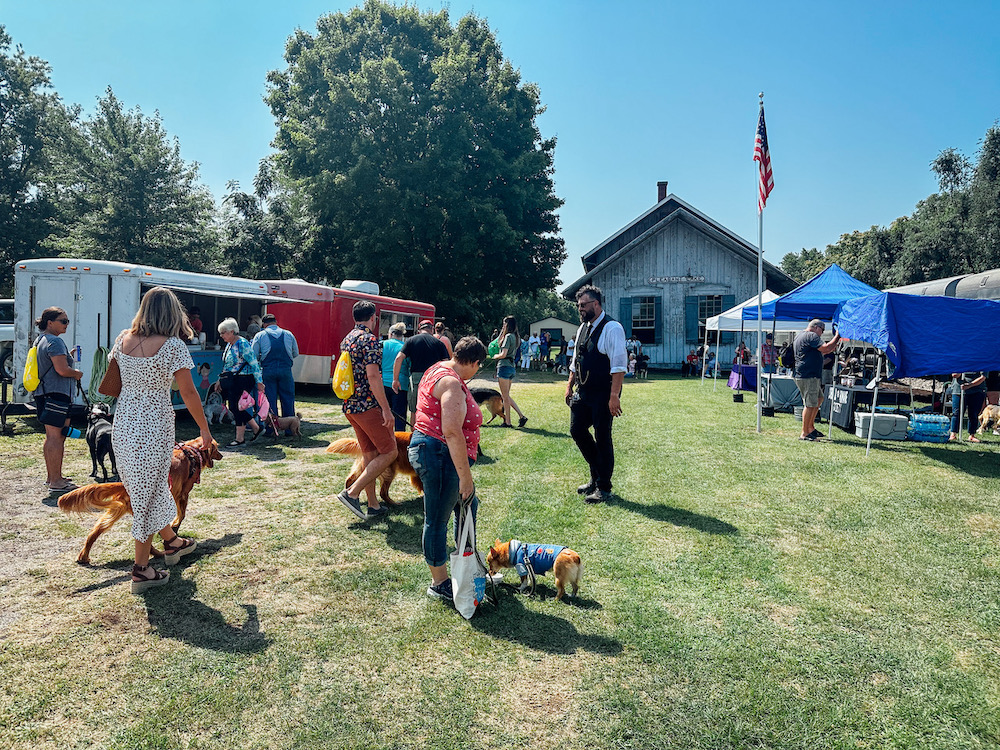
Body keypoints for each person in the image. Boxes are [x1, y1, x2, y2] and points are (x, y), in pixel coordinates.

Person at [109, 287, 212, 592]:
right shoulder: (172, 347)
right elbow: (189, 392)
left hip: (124, 424)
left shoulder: (122, 339)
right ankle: (141, 570)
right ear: (172, 313)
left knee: (147, 489)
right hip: (154, 426)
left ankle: (172, 542)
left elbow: (114, 376)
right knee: (147, 493)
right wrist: (205, 431)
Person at [407, 336, 487, 600]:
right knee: (437, 520)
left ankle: (465, 566)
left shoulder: (437, 368)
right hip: (439, 453)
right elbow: (452, 432)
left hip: (435, 451)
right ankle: (439, 582)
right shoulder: (451, 382)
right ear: (474, 363)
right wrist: (466, 478)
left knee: (468, 507)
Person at [564, 285, 627, 504]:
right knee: (576, 430)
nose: (580, 309)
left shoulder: (612, 328)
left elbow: (619, 365)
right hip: (583, 391)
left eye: (583, 305)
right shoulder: (583, 328)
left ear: (596, 304)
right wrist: (569, 385)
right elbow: (575, 361)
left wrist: (614, 395)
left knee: (602, 437)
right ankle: (595, 475)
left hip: (603, 392)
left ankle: (604, 487)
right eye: (578, 305)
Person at [336, 300, 397, 520]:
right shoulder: (369, 340)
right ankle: (352, 493)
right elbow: (373, 376)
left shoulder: (348, 339)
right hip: (367, 405)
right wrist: (386, 409)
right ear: (373, 317)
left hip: (350, 404)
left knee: (370, 454)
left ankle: (373, 505)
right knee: (390, 451)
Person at [33, 307, 83, 492]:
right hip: (56, 394)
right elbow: (62, 371)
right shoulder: (55, 341)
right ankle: (56, 482)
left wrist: (67, 357)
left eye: (67, 321)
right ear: (50, 322)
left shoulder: (42, 340)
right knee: (56, 437)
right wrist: (76, 373)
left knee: (54, 436)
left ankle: (53, 477)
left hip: (45, 393)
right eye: (63, 321)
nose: (66, 324)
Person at [218, 317, 265, 447]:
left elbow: (254, 363)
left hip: (244, 379)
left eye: (223, 332)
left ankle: (240, 438)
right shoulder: (229, 345)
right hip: (233, 379)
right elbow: (226, 365)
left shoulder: (242, 344)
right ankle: (254, 428)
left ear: (232, 332)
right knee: (234, 406)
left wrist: (259, 381)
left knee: (236, 407)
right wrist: (219, 380)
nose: (221, 336)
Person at [251, 312, 299, 436]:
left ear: (264, 324)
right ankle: (290, 429)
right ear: (276, 322)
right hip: (285, 370)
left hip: (268, 371)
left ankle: (272, 429)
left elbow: (254, 355)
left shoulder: (260, 335)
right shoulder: (288, 334)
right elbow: (295, 353)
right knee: (288, 399)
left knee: (269, 401)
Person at [393, 319, 448, 426]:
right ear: (432, 329)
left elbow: (398, 359)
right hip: (434, 378)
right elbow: (446, 363)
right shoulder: (439, 343)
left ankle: (414, 435)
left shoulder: (411, 340)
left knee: (414, 409)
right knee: (433, 409)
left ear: (419, 330)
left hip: (416, 378)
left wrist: (395, 379)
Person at [793, 319, 841, 441]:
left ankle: (811, 428)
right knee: (810, 404)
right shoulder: (812, 335)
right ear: (816, 327)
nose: (822, 333)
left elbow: (823, 351)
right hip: (808, 375)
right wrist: (837, 336)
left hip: (806, 374)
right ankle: (804, 433)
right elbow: (825, 348)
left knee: (819, 398)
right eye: (822, 330)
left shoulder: (800, 335)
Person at [491, 315, 528, 428]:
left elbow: (503, 354)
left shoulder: (508, 336)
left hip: (504, 366)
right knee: (506, 396)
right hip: (512, 367)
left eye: (504, 324)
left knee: (505, 397)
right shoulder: (516, 337)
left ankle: (508, 422)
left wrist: (495, 356)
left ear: (507, 324)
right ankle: (521, 417)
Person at [382, 322, 410, 431]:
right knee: (400, 416)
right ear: (402, 335)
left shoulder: (382, 344)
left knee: (383, 414)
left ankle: (384, 440)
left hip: (383, 383)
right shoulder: (405, 347)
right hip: (401, 384)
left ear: (390, 334)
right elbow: (409, 365)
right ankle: (399, 441)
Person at [949, 371, 987, 442]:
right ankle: (953, 434)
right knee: (956, 413)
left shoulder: (983, 361)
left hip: (977, 391)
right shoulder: (959, 360)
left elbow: (983, 377)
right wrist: (958, 373)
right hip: (959, 390)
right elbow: (954, 375)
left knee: (974, 414)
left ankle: (972, 435)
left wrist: (969, 385)